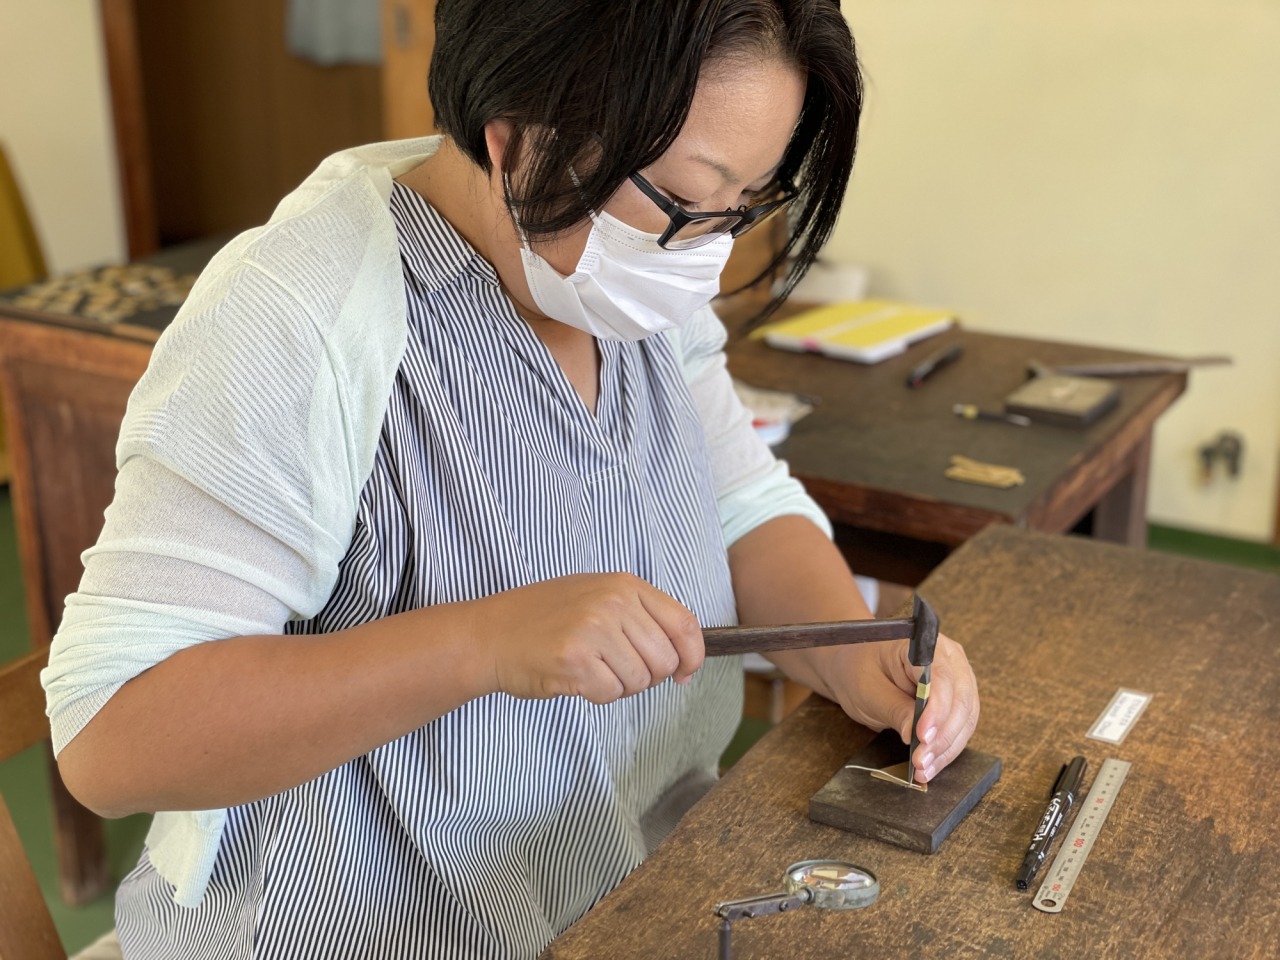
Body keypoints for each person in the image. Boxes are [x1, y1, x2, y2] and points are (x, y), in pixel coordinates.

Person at [43, 1, 979, 956]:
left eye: (746, 203)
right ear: (518, 140)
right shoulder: (301, 315)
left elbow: (743, 506)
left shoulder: (628, 280)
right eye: (686, 200)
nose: (710, 253)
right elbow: (111, 736)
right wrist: (481, 644)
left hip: (633, 883)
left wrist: (852, 654)